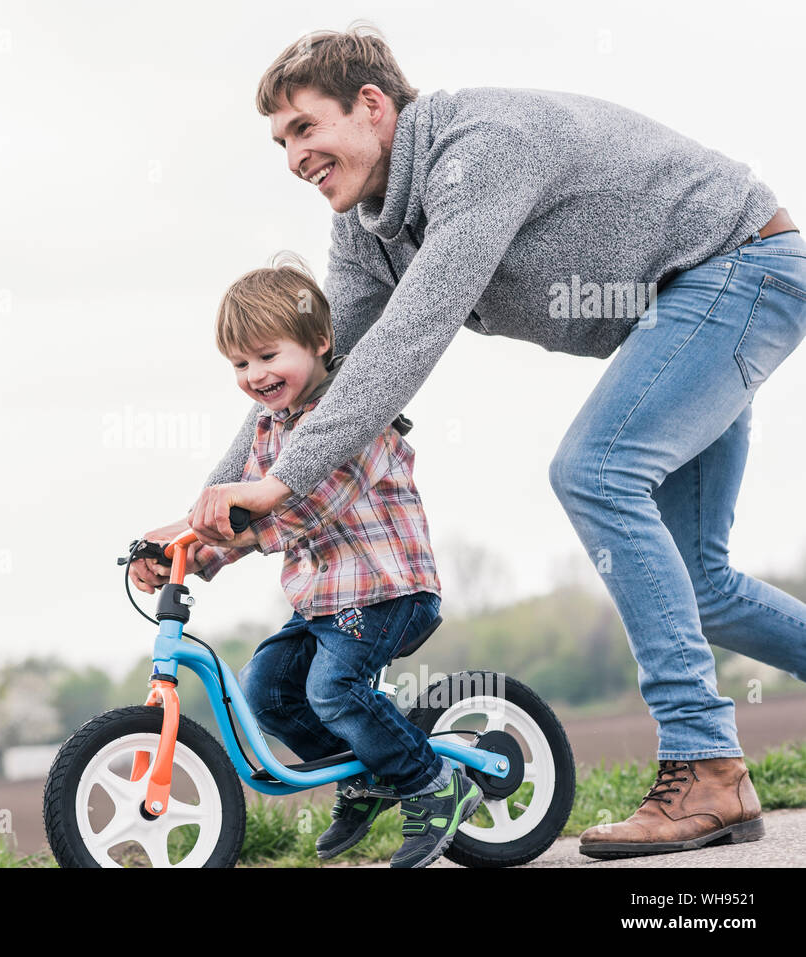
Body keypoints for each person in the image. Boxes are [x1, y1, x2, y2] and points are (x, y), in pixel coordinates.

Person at [139, 23, 806, 859]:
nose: (293, 158)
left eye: (305, 128)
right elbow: (322, 376)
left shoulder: (478, 152)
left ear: (372, 106)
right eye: (280, 141)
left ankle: (707, 766)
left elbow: (409, 339)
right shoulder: (367, 228)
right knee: (697, 580)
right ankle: (713, 765)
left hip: (738, 267)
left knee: (595, 472)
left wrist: (275, 488)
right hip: (684, 311)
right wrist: (210, 514)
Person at [134, 253, 481, 867]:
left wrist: (215, 533)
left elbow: (301, 510)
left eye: (269, 357)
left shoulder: (354, 421)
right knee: (267, 692)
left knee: (333, 688)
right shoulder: (270, 429)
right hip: (322, 603)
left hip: (386, 595)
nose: (254, 375)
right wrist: (185, 555)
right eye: (240, 363)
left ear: (320, 342)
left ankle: (430, 781)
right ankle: (370, 775)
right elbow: (240, 514)